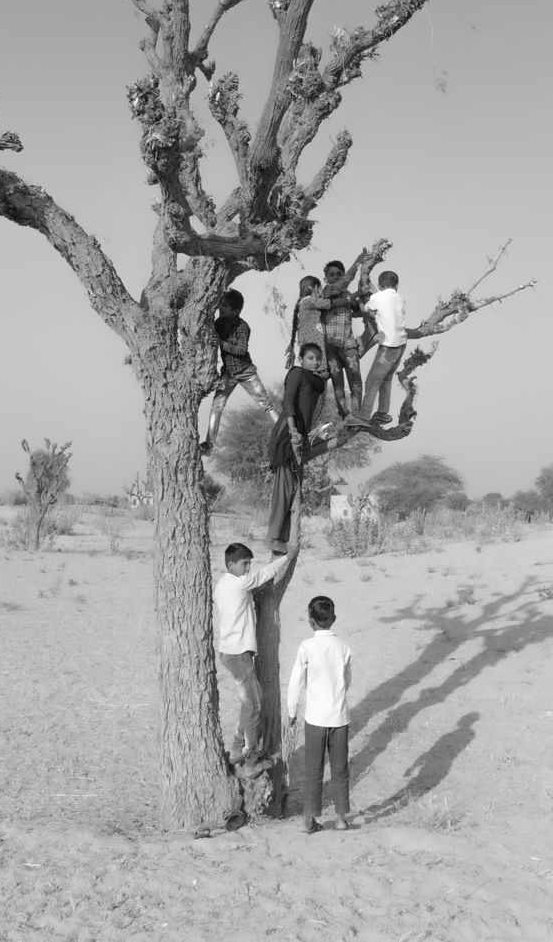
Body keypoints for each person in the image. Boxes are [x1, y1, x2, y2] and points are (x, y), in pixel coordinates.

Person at [214, 533, 300, 774]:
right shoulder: (239, 583)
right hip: (238, 655)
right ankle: (250, 761)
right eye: (244, 564)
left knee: (249, 703)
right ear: (230, 565)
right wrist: (288, 556)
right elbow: (265, 574)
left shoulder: (222, 584)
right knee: (253, 706)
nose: (248, 568)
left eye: (249, 563)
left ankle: (235, 750)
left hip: (233, 653)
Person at [287, 595, 352, 834]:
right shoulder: (343, 646)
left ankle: (308, 820)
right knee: (340, 767)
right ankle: (341, 818)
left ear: (310, 620)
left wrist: (292, 710)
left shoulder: (306, 647)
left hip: (315, 718)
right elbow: (347, 681)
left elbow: (296, 680)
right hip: (339, 716)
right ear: (332, 619)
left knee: (313, 767)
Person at [267, 343, 330, 554]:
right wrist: (294, 430)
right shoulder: (297, 373)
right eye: (310, 358)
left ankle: (283, 535)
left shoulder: (317, 382)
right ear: (302, 358)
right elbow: (288, 402)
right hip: (288, 430)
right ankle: (274, 538)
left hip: (301, 435)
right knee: (283, 485)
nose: (315, 362)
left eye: (317, 359)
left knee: (293, 485)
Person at [200, 288, 279, 455]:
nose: (221, 308)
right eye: (221, 304)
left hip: (245, 372)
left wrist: (222, 343)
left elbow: (241, 350)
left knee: (265, 403)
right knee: (217, 406)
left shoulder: (243, 327)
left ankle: (285, 433)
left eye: (225, 306)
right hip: (228, 373)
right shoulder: (219, 323)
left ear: (235, 311)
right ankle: (209, 445)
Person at [347, 270, 406, 426]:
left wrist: (361, 297)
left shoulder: (376, 298)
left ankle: (364, 417)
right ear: (397, 285)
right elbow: (383, 297)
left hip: (388, 346)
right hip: (401, 344)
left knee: (372, 382)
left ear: (380, 285)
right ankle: (383, 413)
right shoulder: (399, 298)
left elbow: (366, 309)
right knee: (386, 379)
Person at [319, 259, 363, 419]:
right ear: (326, 279)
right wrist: (357, 262)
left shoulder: (347, 295)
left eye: (339, 274)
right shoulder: (327, 291)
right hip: (330, 345)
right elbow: (341, 286)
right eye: (332, 274)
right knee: (338, 382)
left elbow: (358, 307)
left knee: (355, 379)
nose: (336, 277)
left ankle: (357, 414)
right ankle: (345, 415)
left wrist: (364, 296)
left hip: (348, 342)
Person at [285, 276, 328, 376]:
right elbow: (329, 303)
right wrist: (350, 298)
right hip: (311, 358)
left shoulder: (306, 304)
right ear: (315, 288)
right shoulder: (309, 301)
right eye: (321, 289)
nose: (322, 293)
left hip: (306, 354)